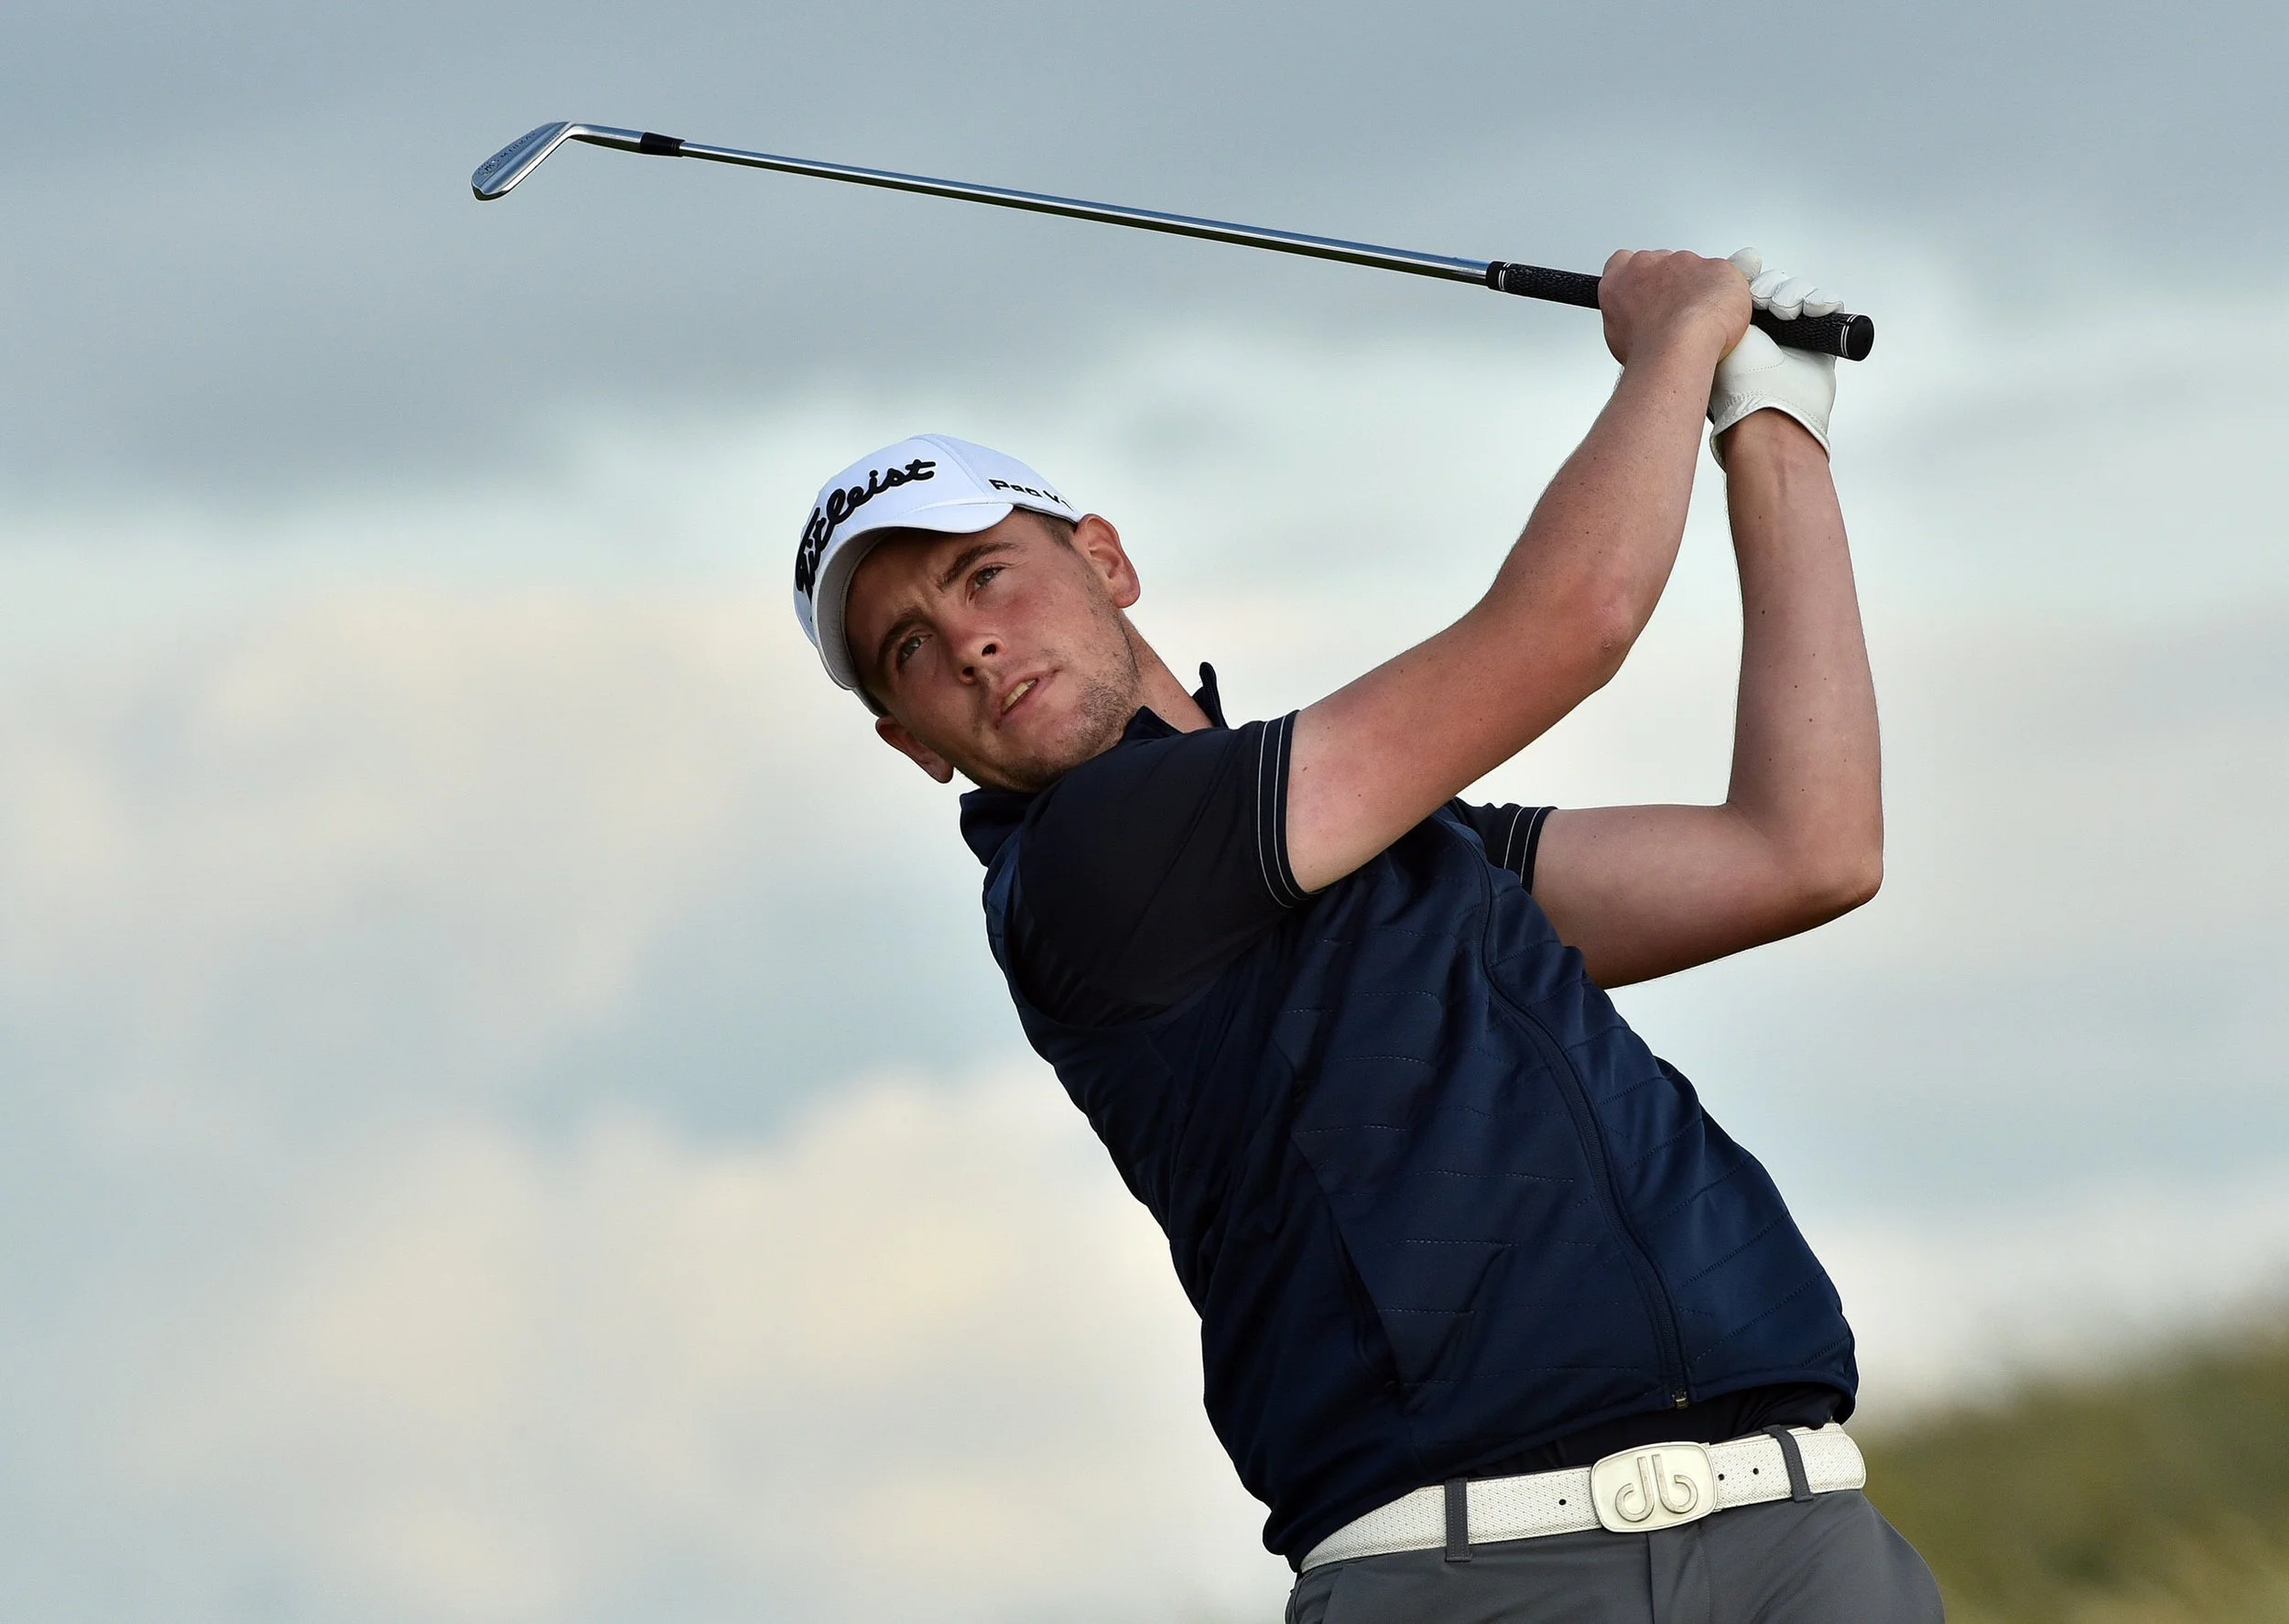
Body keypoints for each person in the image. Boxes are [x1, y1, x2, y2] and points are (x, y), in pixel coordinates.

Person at [789, 248, 1945, 1621]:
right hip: (1471, 1575)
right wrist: (1675, 346)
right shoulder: (1091, 867)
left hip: (1792, 1530)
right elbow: (1572, 621)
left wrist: (1771, 424)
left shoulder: (1404, 840)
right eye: (909, 649)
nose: (969, 643)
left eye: (984, 576)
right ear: (912, 746)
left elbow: (1802, 851)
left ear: (1106, 558)